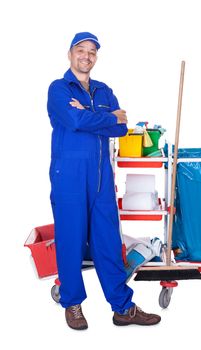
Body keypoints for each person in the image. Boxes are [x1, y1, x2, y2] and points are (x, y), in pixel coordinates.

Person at [47, 32, 161, 330]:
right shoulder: (59, 89)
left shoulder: (103, 89)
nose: (87, 55)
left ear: (96, 57)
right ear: (70, 53)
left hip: (101, 178)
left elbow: (122, 128)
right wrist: (106, 116)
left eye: (92, 51)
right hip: (69, 177)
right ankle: (72, 304)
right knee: (71, 240)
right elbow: (73, 121)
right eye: (81, 50)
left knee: (108, 242)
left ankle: (123, 308)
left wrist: (92, 114)